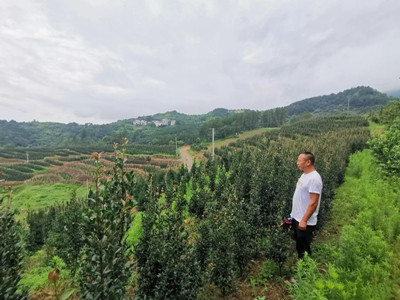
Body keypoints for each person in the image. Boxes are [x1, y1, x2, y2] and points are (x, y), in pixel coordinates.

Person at [290, 152, 323, 259]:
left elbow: (314, 202)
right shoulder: (305, 175)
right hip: (297, 217)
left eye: (300, 160)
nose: (297, 163)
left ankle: (304, 274)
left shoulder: (314, 178)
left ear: (308, 162)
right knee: (300, 246)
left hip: (305, 221)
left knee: (304, 249)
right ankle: (301, 270)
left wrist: (304, 220)